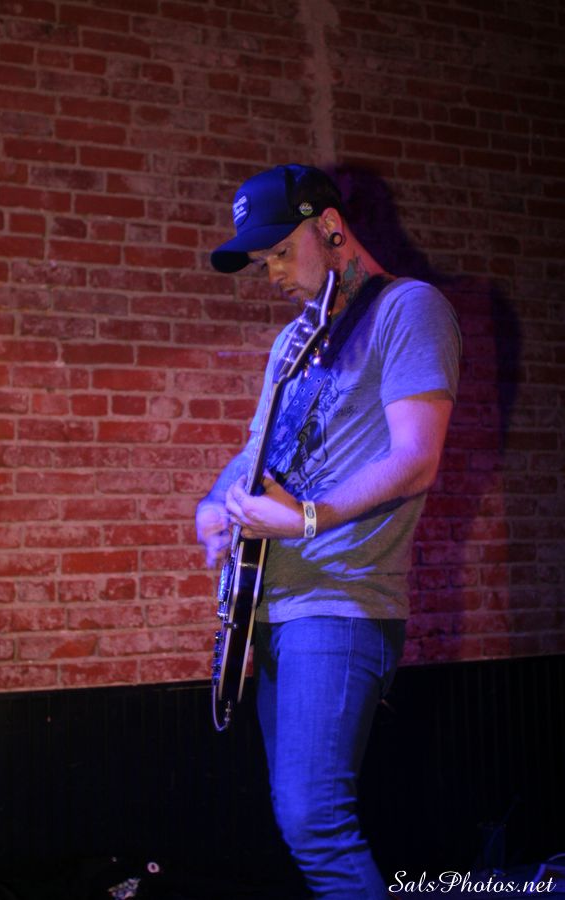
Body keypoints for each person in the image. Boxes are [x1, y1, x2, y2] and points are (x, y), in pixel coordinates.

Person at [196, 164, 461, 899]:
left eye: (282, 251)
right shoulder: (293, 342)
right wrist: (214, 506)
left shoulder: (409, 309)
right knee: (299, 820)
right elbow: (255, 456)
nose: (274, 274)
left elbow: (417, 457)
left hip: (341, 603)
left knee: (316, 823)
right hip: (273, 609)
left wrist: (309, 517)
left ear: (332, 226)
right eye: (263, 261)